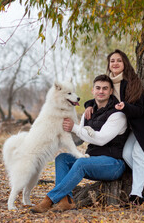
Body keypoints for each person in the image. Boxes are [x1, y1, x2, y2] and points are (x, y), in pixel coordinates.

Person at [30, 74, 127, 213]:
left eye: (105, 88)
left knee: (81, 163)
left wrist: (74, 127)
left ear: (111, 91)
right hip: (92, 160)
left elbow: (101, 139)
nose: (101, 91)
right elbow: (79, 138)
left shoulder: (117, 114)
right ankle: (66, 201)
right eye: (98, 88)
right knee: (62, 158)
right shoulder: (90, 111)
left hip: (113, 164)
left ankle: (49, 200)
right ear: (93, 91)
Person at [84, 49, 144, 205]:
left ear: (125, 64)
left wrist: (125, 107)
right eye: (112, 61)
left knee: (138, 153)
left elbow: (140, 109)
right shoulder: (109, 83)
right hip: (133, 127)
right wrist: (89, 105)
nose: (115, 63)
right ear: (109, 65)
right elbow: (100, 96)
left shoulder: (132, 81)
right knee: (127, 154)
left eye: (119, 60)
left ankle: (136, 196)